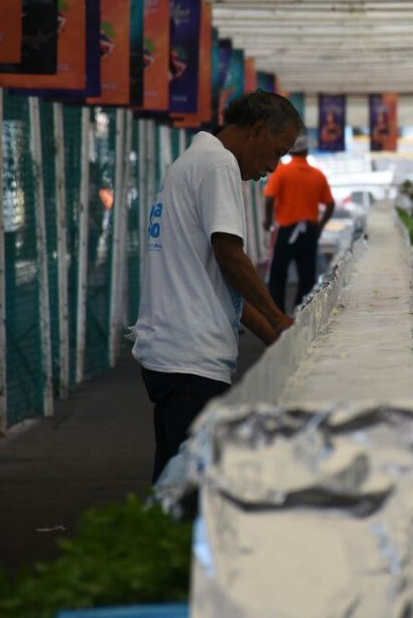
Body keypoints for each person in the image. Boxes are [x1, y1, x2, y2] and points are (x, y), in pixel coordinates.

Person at [131, 91, 302, 482]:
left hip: (174, 352)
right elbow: (231, 257)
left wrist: (279, 336)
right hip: (190, 355)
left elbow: (224, 280)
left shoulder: (194, 161)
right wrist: (278, 317)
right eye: (276, 152)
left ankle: (165, 539)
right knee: (188, 484)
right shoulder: (218, 164)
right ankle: (170, 542)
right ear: (256, 130)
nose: (273, 167)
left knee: (178, 471)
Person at [263, 134, 335, 312]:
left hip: (286, 229)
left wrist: (268, 219)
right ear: (307, 151)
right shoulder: (318, 175)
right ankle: (300, 313)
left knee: (278, 274)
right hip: (309, 230)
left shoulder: (282, 171)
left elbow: (269, 198)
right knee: (307, 277)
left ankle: (278, 315)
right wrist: (320, 226)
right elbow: (330, 204)